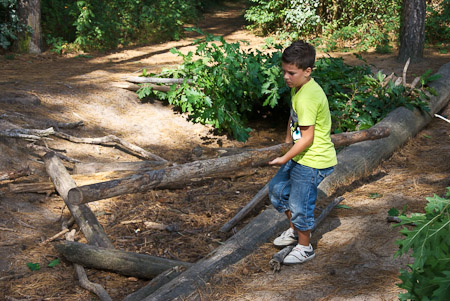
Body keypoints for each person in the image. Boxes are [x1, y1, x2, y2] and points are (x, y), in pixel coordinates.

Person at [268, 40, 337, 265]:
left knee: (300, 204)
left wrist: (283, 158)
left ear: (307, 71)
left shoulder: (308, 96)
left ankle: (305, 247)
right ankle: (296, 230)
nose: (286, 77)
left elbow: (308, 138)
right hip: (300, 153)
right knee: (277, 191)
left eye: (291, 73)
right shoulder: (298, 87)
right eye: (284, 72)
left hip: (313, 159)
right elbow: (293, 117)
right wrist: (288, 142)